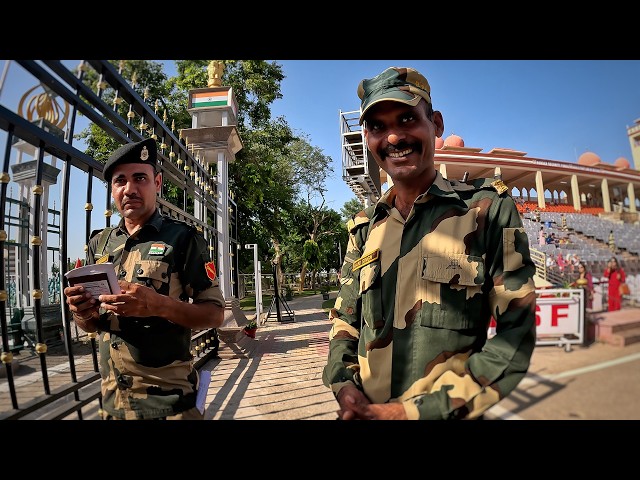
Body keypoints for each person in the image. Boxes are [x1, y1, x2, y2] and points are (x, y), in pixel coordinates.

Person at [322, 66, 537, 420]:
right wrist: (344, 387)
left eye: (407, 119)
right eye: (378, 127)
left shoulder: (485, 211)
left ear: (435, 124)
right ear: (367, 137)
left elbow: (517, 336)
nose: (393, 138)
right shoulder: (364, 228)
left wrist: (408, 413)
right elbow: (345, 321)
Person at [63, 137, 226, 420]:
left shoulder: (183, 239)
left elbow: (214, 315)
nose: (129, 189)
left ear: (158, 183)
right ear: (112, 189)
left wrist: (158, 305)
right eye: (120, 181)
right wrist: (81, 313)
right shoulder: (99, 245)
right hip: (113, 403)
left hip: (169, 405)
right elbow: (91, 326)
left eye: (140, 178)